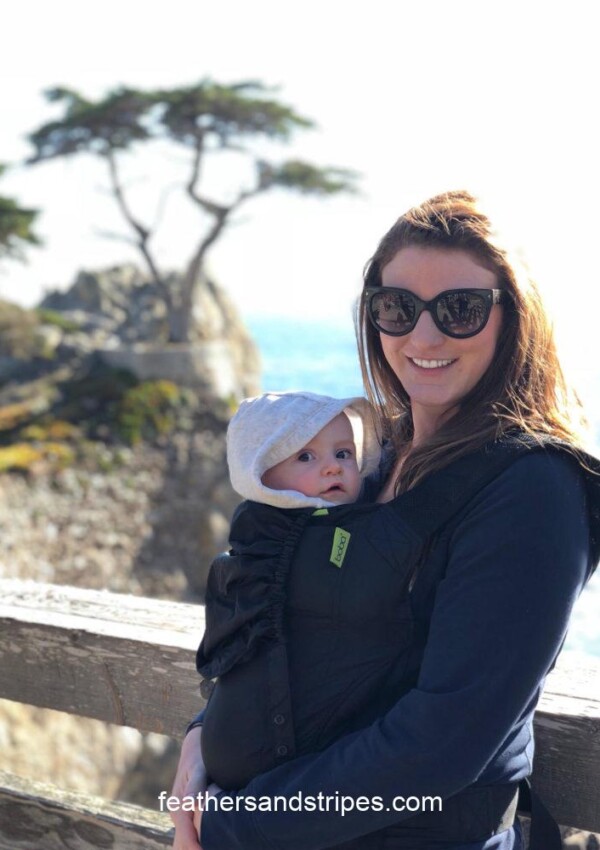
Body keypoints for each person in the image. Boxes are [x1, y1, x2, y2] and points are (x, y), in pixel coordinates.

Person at [170, 190, 600, 850]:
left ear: (515, 319)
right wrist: (206, 736)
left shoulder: (534, 489)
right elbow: (291, 629)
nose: (423, 336)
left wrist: (236, 825)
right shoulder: (366, 461)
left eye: (461, 309)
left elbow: (444, 740)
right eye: (397, 308)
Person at [197, 391, 382, 790]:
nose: (333, 468)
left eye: (344, 454)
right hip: (269, 763)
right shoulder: (262, 543)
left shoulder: (336, 527)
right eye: (305, 457)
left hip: (276, 760)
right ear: (260, 473)